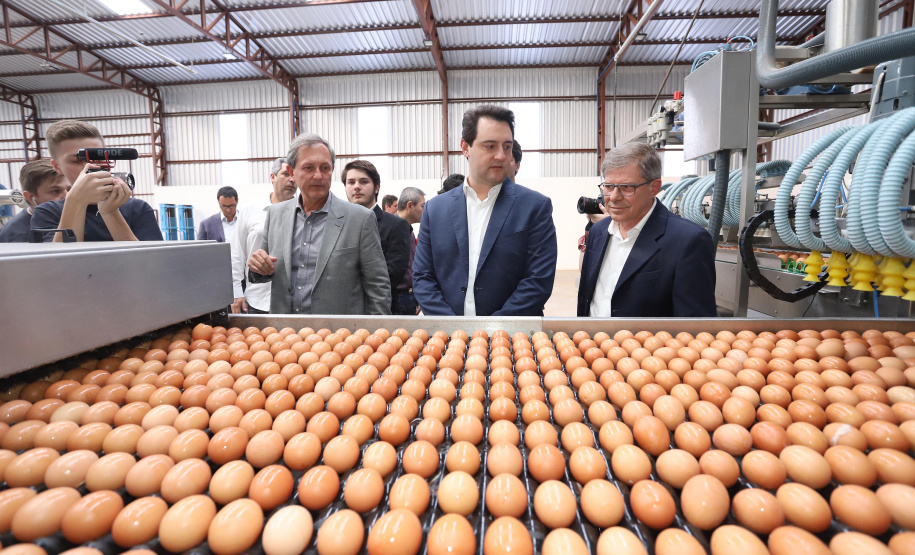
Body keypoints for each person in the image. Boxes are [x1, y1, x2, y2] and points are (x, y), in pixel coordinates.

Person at [413, 105, 557, 316]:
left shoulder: (535, 207)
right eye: (490, 146)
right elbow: (423, 276)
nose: (501, 156)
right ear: (465, 147)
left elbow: (538, 281)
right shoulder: (436, 209)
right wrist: (452, 329)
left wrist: (494, 330)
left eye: (507, 147)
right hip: (449, 339)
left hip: (511, 340)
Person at [247, 133, 391, 315]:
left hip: (339, 338)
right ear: (292, 172)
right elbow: (262, 272)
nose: (318, 175)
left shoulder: (359, 219)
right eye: (308, 168)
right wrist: (258, 268)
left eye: (325, 168)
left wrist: (375, 337)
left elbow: (378, 286)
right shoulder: (275, 214)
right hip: (285, 335)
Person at [577, 143, 717, 317]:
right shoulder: (599, 231)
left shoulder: (688, 242)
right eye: (609, 186)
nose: (613, 197)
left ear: (654, 188)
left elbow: (694, 325)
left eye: (627, 187)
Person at [31, 120, 161, 242]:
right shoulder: (47, 213)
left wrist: (110, 213)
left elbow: (148, 261)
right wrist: (75, 202)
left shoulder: (137, 209)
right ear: (57, 166)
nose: (90, 166)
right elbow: (58, 263)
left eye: (98, 156)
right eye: (77, 160)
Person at [343, 160, 412, 313]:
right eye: (351, 182)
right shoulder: (338, 224)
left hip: (378, 308)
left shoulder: (396, 225)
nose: (356, 187)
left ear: (377, 187)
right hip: (342, 309)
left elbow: (393, 273)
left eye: (363, 181)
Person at [230, 158, 297, 314]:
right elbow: (237, 253)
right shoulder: (251, 210)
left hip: (292, 300)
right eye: (286, 174)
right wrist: (236, 292)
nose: (291, 179)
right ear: (272, 177)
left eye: (294, 175)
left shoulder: (304, 214)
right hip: (256, 299)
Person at [0, 160, 70, 243]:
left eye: (70, 189)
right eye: (55, 191)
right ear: (30, 197)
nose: (67, 196)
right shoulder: (20, 236)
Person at [393, 187, 425, 315]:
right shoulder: (392, 229)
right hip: (398, 297)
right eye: (422, 206)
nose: (425, 211)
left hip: (410, 296)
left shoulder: (409, 231)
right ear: (410, 205)